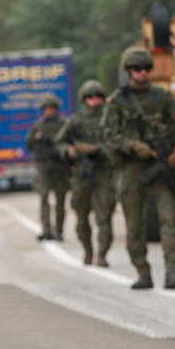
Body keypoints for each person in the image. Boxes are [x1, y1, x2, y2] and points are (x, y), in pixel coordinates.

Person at [103, 46, 175, 290]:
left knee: (170, 219)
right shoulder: (118, 101)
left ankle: (173, 271)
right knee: (134, 224)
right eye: (137, 69)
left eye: (146, 69)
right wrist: (133, 146)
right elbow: (108, 135)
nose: (142, 73)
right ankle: (143, 271)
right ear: (129, 71)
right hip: (132, 168)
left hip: (161, 166)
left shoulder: (162, 97)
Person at [55, 80, 118, 266]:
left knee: (104, 216)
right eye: (90, 97)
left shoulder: (110, 119)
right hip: (82, 174)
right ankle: (88, 251)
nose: (94, 100)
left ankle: (102, 254)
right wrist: (70, 151)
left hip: (104, 172)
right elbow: (60, 142)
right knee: (81, 217)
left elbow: (117, 142)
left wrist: (96, 149)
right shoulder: (76, 121)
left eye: (98, 96)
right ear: (84, 99)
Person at [25, 94, 70, 241]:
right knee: (44, 198)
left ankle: (59, 230)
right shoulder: (37, 126)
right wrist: (36, 138)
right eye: (47, 108)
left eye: (52, 108)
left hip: (60, 168)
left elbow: (70, 143)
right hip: (43, 167)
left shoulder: (64, 124)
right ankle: (46, 230)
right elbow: (28, 144)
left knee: (60, 200)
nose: (49, 111)